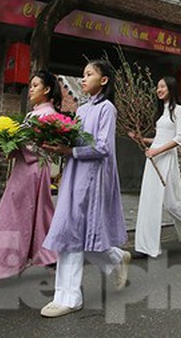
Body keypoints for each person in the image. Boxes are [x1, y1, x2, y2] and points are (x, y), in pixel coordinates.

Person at [39, 60, 129, 318]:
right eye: (83, 74)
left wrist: (70, 150)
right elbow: (74, 138)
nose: (83, 78)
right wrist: (57, 142)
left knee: (72, 232)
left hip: (91, 177)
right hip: (74, 173)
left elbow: (102, 148)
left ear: (104, 80)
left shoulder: (107, 109)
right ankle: (116, 258)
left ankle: (68, 297)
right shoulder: (82, 109)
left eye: (89, 74)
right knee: (80, 233)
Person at [0, 71, 60, 289]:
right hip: (28, 170)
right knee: (37, 217)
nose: (31, 89)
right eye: (31, 85)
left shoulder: (48, 115)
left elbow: (40, 148)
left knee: (9, 220)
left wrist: (13, 142)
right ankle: (51, 256)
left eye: (36, 85)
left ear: (46, 89)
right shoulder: (34, 115)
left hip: (30, 172)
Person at [133, 76, 181, 258]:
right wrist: (143, 139)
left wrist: (156, 151)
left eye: (162, 87)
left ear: (171, 89)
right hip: (154, 158)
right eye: (158, 87)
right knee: (149, 201)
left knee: (172, 203)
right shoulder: (163, 112)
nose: (159, 90)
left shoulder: (178, 110)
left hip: (165, 159)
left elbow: (179, 138)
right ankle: (145, 246)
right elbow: (161, 137)